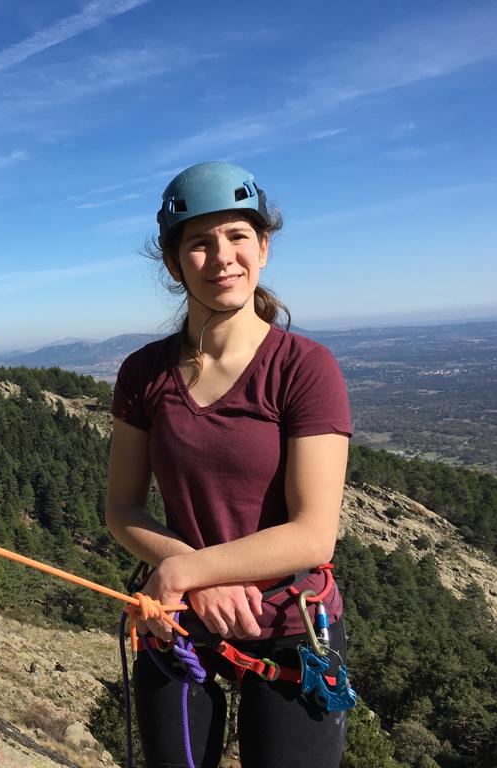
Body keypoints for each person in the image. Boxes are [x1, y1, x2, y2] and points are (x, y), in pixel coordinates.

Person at [106, 161, 352, 768]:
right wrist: (197, 578)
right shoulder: (144, 374)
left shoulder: (303, 368)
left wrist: (189, 572)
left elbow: (313, 533)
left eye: (238, 237)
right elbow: (122, 508)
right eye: (200, 243)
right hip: (182, 617)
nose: (222, 257)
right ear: (173, 263)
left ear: (263, 248)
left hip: (290, 622)